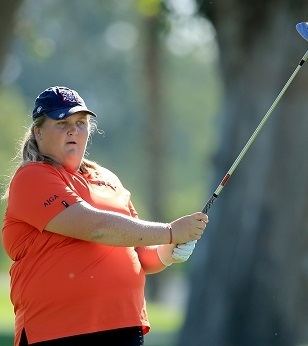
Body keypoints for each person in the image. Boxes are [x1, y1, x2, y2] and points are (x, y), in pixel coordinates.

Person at [1, 86, 208, 346]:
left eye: (80, 123)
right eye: (62, 122)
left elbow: (140, 254)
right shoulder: (33, 177)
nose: (73, 130)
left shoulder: (107, 179)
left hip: (123, 325)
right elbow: (96, 227)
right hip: (57, 330)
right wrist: (169, 231)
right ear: (38, 131)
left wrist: (169, 251)